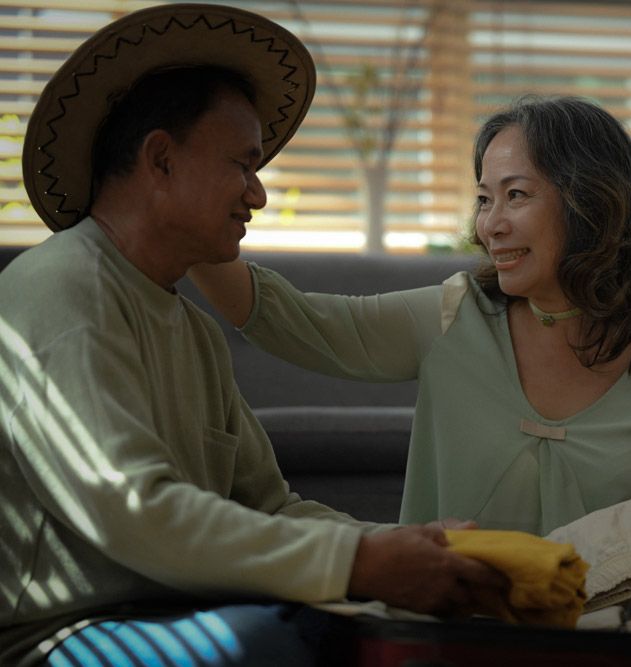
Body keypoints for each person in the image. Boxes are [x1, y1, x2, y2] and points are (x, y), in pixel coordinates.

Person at [0, 5, 504, 666]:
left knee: (355, 629)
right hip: (61, 631)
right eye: (243, 163)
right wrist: (357, 562)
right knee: (265, 642)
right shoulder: (56, 289)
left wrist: (405, 543)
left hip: (169, 606)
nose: (258, 194)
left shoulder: (192, 331)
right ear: (161, 160)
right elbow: (134, 509)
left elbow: (269, 505)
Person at [189, 96, 631, 539]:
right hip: (444, 638)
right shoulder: (453, 317)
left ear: (590, 204)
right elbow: (281, 318)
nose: (490, 224)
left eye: (517, 195)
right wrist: (188, 216)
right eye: (484, 198)